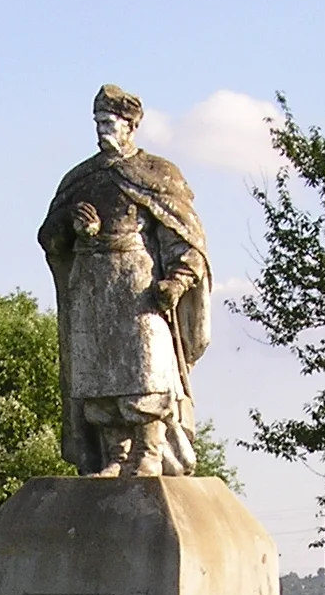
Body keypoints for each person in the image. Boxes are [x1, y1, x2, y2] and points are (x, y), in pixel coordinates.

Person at [38, 84, 211, 477]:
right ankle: (116, 456)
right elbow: (50, 237)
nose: (102, 130)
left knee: (146, 370)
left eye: (109, 122)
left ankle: (149, 453)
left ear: (131, 125)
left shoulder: (157, 174)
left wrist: (178, 281)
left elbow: (183, 239)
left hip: (139, 288)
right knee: (100, 375)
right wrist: (73, 227)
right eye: (98, 122)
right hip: (92, 288)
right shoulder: (81, 179)